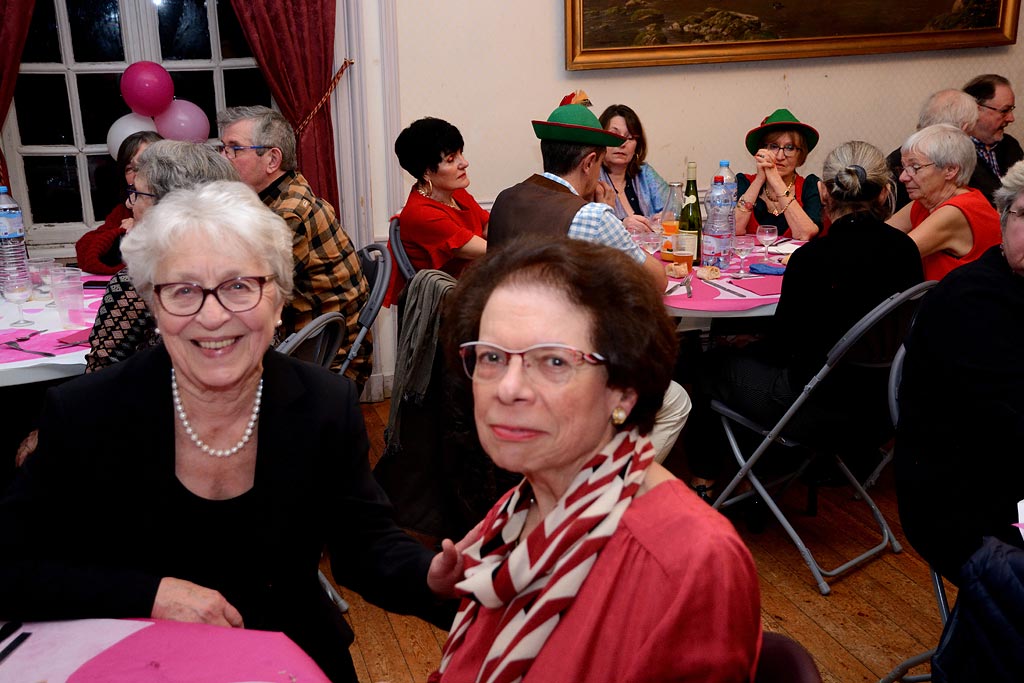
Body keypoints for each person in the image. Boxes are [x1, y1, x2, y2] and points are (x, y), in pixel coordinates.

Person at [0, 181, 470, 683]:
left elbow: (364, 549)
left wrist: (430, 577)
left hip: (294, 656)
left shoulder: (323, 405)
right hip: (144, 664)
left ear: (279, 299)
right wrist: (152, 594)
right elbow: (10, 569)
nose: (213, 315)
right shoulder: (87, 413)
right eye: (183, 290)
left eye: (239, 286)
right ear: (153, 306)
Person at [433, 237, 761, 682]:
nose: (508, 389)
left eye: (552, 361)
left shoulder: (692, 562)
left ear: (623, 390)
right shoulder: (517, 509)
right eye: (492, 357)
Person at [687, 141, 924, 501]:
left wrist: (746, 343)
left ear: (824, 192)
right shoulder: (905, 250)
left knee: (706, 364)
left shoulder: (812, 259)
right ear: (883, 195)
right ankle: (763, 476)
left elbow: (782, 349)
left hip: (813, 408)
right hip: (883, 406)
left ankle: (711, 483)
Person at [895, 159, 1024, 586]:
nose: (905, 176)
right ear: (1005, 219)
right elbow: (998, 426)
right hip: (963, 493)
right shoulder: (972, 299)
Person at [216, 105, 371, 388]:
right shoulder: (283, 191)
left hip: (326, 358)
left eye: (234, 149)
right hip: (311, 343)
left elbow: (251, 298)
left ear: (273, 159)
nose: (224, 159)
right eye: (223, 148)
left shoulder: (287, 214)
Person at [86, 140, 240, 372]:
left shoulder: (140, 281)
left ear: (168, 204)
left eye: (137, 193)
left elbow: (99, 376)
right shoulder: (249, 267)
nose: (131, 203)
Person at [488, 100, 668, 291]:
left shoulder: (504, 199)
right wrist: (607, 213)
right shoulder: (594, 218)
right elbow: (656, 281)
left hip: (501, 317)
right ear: (589, 163)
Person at [387, 117, 489, 306]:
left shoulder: (457, 193)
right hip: (454, 308)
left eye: (461, 153)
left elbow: (490, 224)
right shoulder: (422, 214)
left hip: (476, 291)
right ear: (426, 173)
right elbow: (489, 249)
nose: (464, 163)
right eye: (451, 159)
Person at [887, 123, 1002, 281]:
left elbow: (888, 256)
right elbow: (879, 237)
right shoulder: (925, 201)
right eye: (904, 168)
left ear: (950, 170)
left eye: (915, 167)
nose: (903, 178)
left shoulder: (959, 209)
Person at [75, 130, 162, 274]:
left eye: (145, 164)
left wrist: (143, 229)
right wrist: (123, 232)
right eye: (129, 169)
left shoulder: (183, 207)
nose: (136, 173)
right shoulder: (124, 210)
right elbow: (85, 251)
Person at [735, 108, 823, 240]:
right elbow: (734, 229)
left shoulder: (809, 186)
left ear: (800, 154)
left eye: (789, 148)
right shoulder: (744, 182)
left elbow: (805, 234)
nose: (780, 156)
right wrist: (760, 179)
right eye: (774, 146)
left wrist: (775, 180)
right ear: (762, 150)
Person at [886, 89, 979, 211]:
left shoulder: (958, 203)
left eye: (915, 167)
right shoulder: (925, 197)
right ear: (963, 130)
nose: (902, 177)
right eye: (907, 167)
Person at [597, 104, 668, 233]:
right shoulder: (591, 177)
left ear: (637, 145)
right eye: (614, 136)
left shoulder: (645, 173)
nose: (622, 144)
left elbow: (673, 206)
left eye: (629, 138)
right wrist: (621, 224)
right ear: (600, 140)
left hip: (650, 250)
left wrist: (667, 217)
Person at [963, 73, 1023, 205]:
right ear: (976, 109)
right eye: (1004, 111)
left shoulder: (1010, 144)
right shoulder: (955, 154)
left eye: (1011, 110)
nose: (1011, 118)